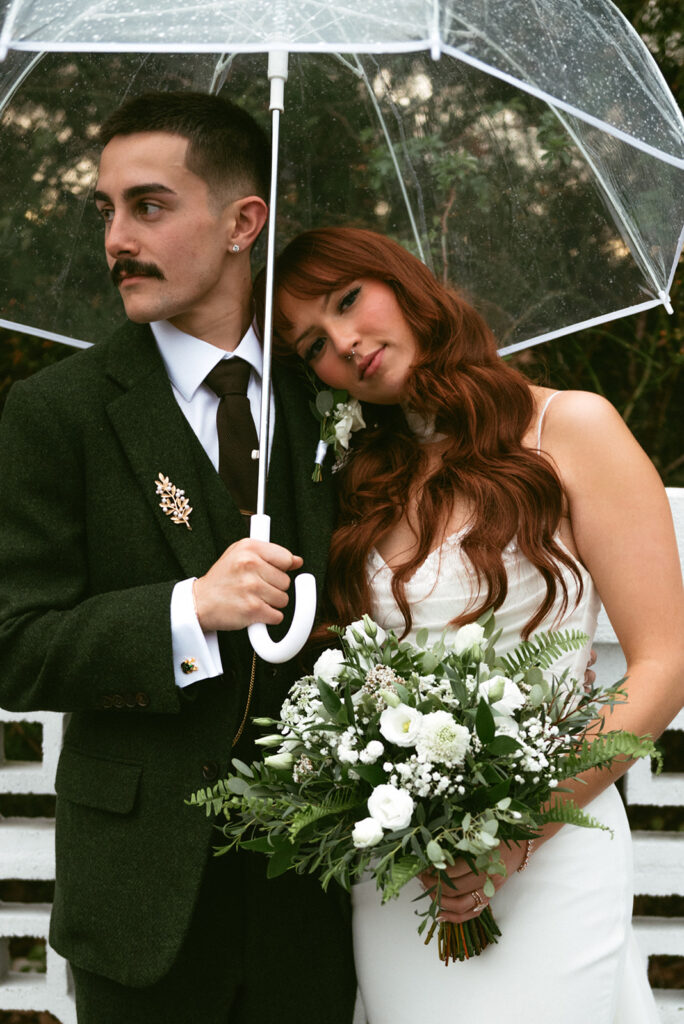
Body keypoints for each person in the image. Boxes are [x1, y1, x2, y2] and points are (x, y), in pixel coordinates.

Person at [269, 226, 684, 1024]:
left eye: (349, 300)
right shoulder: (358, 483)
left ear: (406, 283)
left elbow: (665, 662)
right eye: (314, 342)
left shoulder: (573, 429)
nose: (345, 343)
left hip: (555, 844)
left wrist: (512, 837)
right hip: (402, 873)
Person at [0, 95, 356, 1024]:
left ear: (245, 222)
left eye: (148, 206)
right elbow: (14, 644)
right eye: (105, 210)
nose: (116, 236)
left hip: (318, 890)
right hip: (139, 893)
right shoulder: (59, 414)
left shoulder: (334, 396)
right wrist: (186, 609)